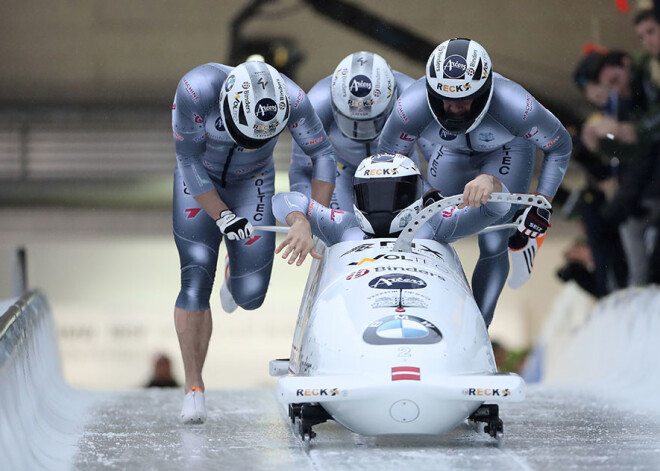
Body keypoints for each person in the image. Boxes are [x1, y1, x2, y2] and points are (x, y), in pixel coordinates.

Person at [171, 60, 336, 424]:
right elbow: (187, 158)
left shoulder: (294, 98)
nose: (248, 141)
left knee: (251, 296)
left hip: (254, 181)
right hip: (198, 181)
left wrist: (310, 219)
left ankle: (236, 269)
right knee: (196, 277)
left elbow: (324, 155)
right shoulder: (196, 89)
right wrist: (221, 215)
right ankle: (194, 386)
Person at [377, 38, 572, 326]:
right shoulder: (412, 106)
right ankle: (422, 316)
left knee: (494, 239)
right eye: (446, 99)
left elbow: (560, 145)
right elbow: (388, 163)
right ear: (431, 92)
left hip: (507, 152)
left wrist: (542, 203)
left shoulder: (518, 106)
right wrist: (423, 190)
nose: (455, 109)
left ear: (485, 92)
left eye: (465, 99)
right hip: (452, 154)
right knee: (426, 227)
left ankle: (480, 326)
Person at [272, 153, 511, 266]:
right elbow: (284, 199)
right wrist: (300, 222)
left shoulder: (437, 222)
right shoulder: (344, 225)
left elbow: (497, 208)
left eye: (393, 193)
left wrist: (490, 181)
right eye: (373, 194)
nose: (382, 205)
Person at [288, 51, 434, 210]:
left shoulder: (411, 95)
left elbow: (433, 150)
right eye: (353, 121)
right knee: (342, 230)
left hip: (398, 167)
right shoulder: (317, 102)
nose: (362, 130)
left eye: (373, 121)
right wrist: (307, 216)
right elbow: (302, 168)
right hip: (343, 170)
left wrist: (432, 194)